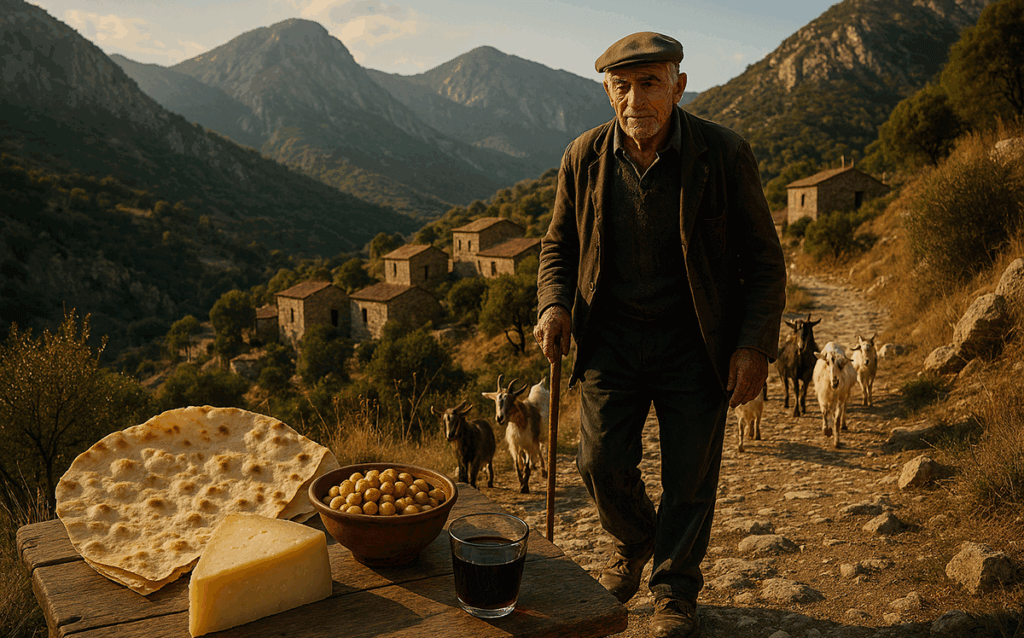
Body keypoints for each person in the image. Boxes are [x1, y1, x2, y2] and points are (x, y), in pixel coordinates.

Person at [534, 32, 787, 638]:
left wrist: (753, 345)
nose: (635, 98)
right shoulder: (583, 157)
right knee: (597, 462)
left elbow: (764, 260)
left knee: (691, 474)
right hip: (611, 339)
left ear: (678, 83)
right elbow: (558, 246)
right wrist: (553, 306)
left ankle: (674, 590)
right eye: (622, 85)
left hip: (695, 341)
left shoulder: (723, 154)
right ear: (606, 92)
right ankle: (637, 536)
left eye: (650, 82)